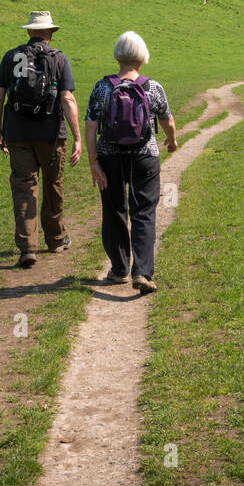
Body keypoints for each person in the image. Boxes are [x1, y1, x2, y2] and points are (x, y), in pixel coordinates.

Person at [85, 31, 177, 295]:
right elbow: (167, 121)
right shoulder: (153, 87)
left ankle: (118, 270)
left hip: (109, 158)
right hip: (145, 157)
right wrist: (172, 141)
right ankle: (142, 272)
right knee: (143, 213)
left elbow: (91, 127)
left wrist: (94, 162)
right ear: (142, 56)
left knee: (114, 211)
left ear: (118, 55)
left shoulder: (102, 87)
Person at [0, 11, 81, 268]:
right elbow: (67, 99)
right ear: (51, 32)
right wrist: (77, 138)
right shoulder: (59, 59)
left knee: (23, 188)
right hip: (51, 135)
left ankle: (27, 248)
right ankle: (55, 238)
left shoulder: (11, 57)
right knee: (53, 185)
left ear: (29, 32)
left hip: (18, 134)